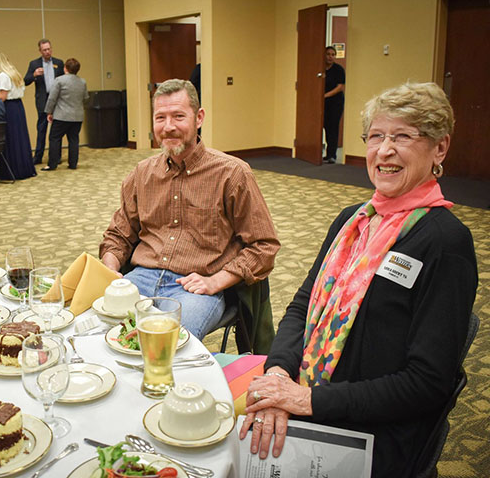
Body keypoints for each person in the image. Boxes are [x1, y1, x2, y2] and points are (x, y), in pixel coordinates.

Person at [239, 82, 477, 478]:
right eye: (376, 136)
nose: (384, 150)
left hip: (372, 430)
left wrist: (307, 401)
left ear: (440, 148)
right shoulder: (353, 220)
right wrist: (280, 373)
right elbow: (302, 307)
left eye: (403, 136)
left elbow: (427, 383)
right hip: (310, 395)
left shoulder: (445, 244)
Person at [99, 79, 280, 339]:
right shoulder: (142, 173)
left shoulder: (232, 174)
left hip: (196, 287)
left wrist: (216, 281)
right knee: (97, 328)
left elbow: (264, 245)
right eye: (160, 117)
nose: (168, 127)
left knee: (167, 342)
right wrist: (110, 269)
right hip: (140, 279)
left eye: (178, 116)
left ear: (199, 118)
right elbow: (118, 234)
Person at [0, 52, 36, 180]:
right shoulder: (15, 74)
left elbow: (2, 97)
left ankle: (12, 171)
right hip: (18, 107)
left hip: (9, 108)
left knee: (11, 139)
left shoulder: (3, 76)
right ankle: (23, 168)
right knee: (19, 138)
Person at [43, 58, 89, 171]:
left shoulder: (59, 80)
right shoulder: (82, 82)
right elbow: (86, 98)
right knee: (74, 140)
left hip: (61, 116)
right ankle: (73, 164)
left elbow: (52, 98)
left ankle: (52, 164)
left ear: (65, 68)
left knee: (55, 138)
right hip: (77, 116)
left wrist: (49, 112)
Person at [24, 38, 64, 165]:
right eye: (44, 50)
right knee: (42, 128)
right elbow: (25, 81)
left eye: (49, 49)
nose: (47, 52)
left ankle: (56, 157)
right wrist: (34, 74)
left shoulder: (59, 63)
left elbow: (64, 80)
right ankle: (38, 156)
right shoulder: (34, 64)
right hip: (42, 99)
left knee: (57, 128)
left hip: (56, 99)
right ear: (40, 51)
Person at [323, 46, 345, 164]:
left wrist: (325, 95)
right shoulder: (320, 69)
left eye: (333, 54)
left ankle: (332, 155)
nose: (330, 57)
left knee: (333, 128)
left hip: (335, 103)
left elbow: (340, 87)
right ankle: (326, 154)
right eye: (328, 54)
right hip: (322, 104)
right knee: (325, 127)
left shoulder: (338, 69)